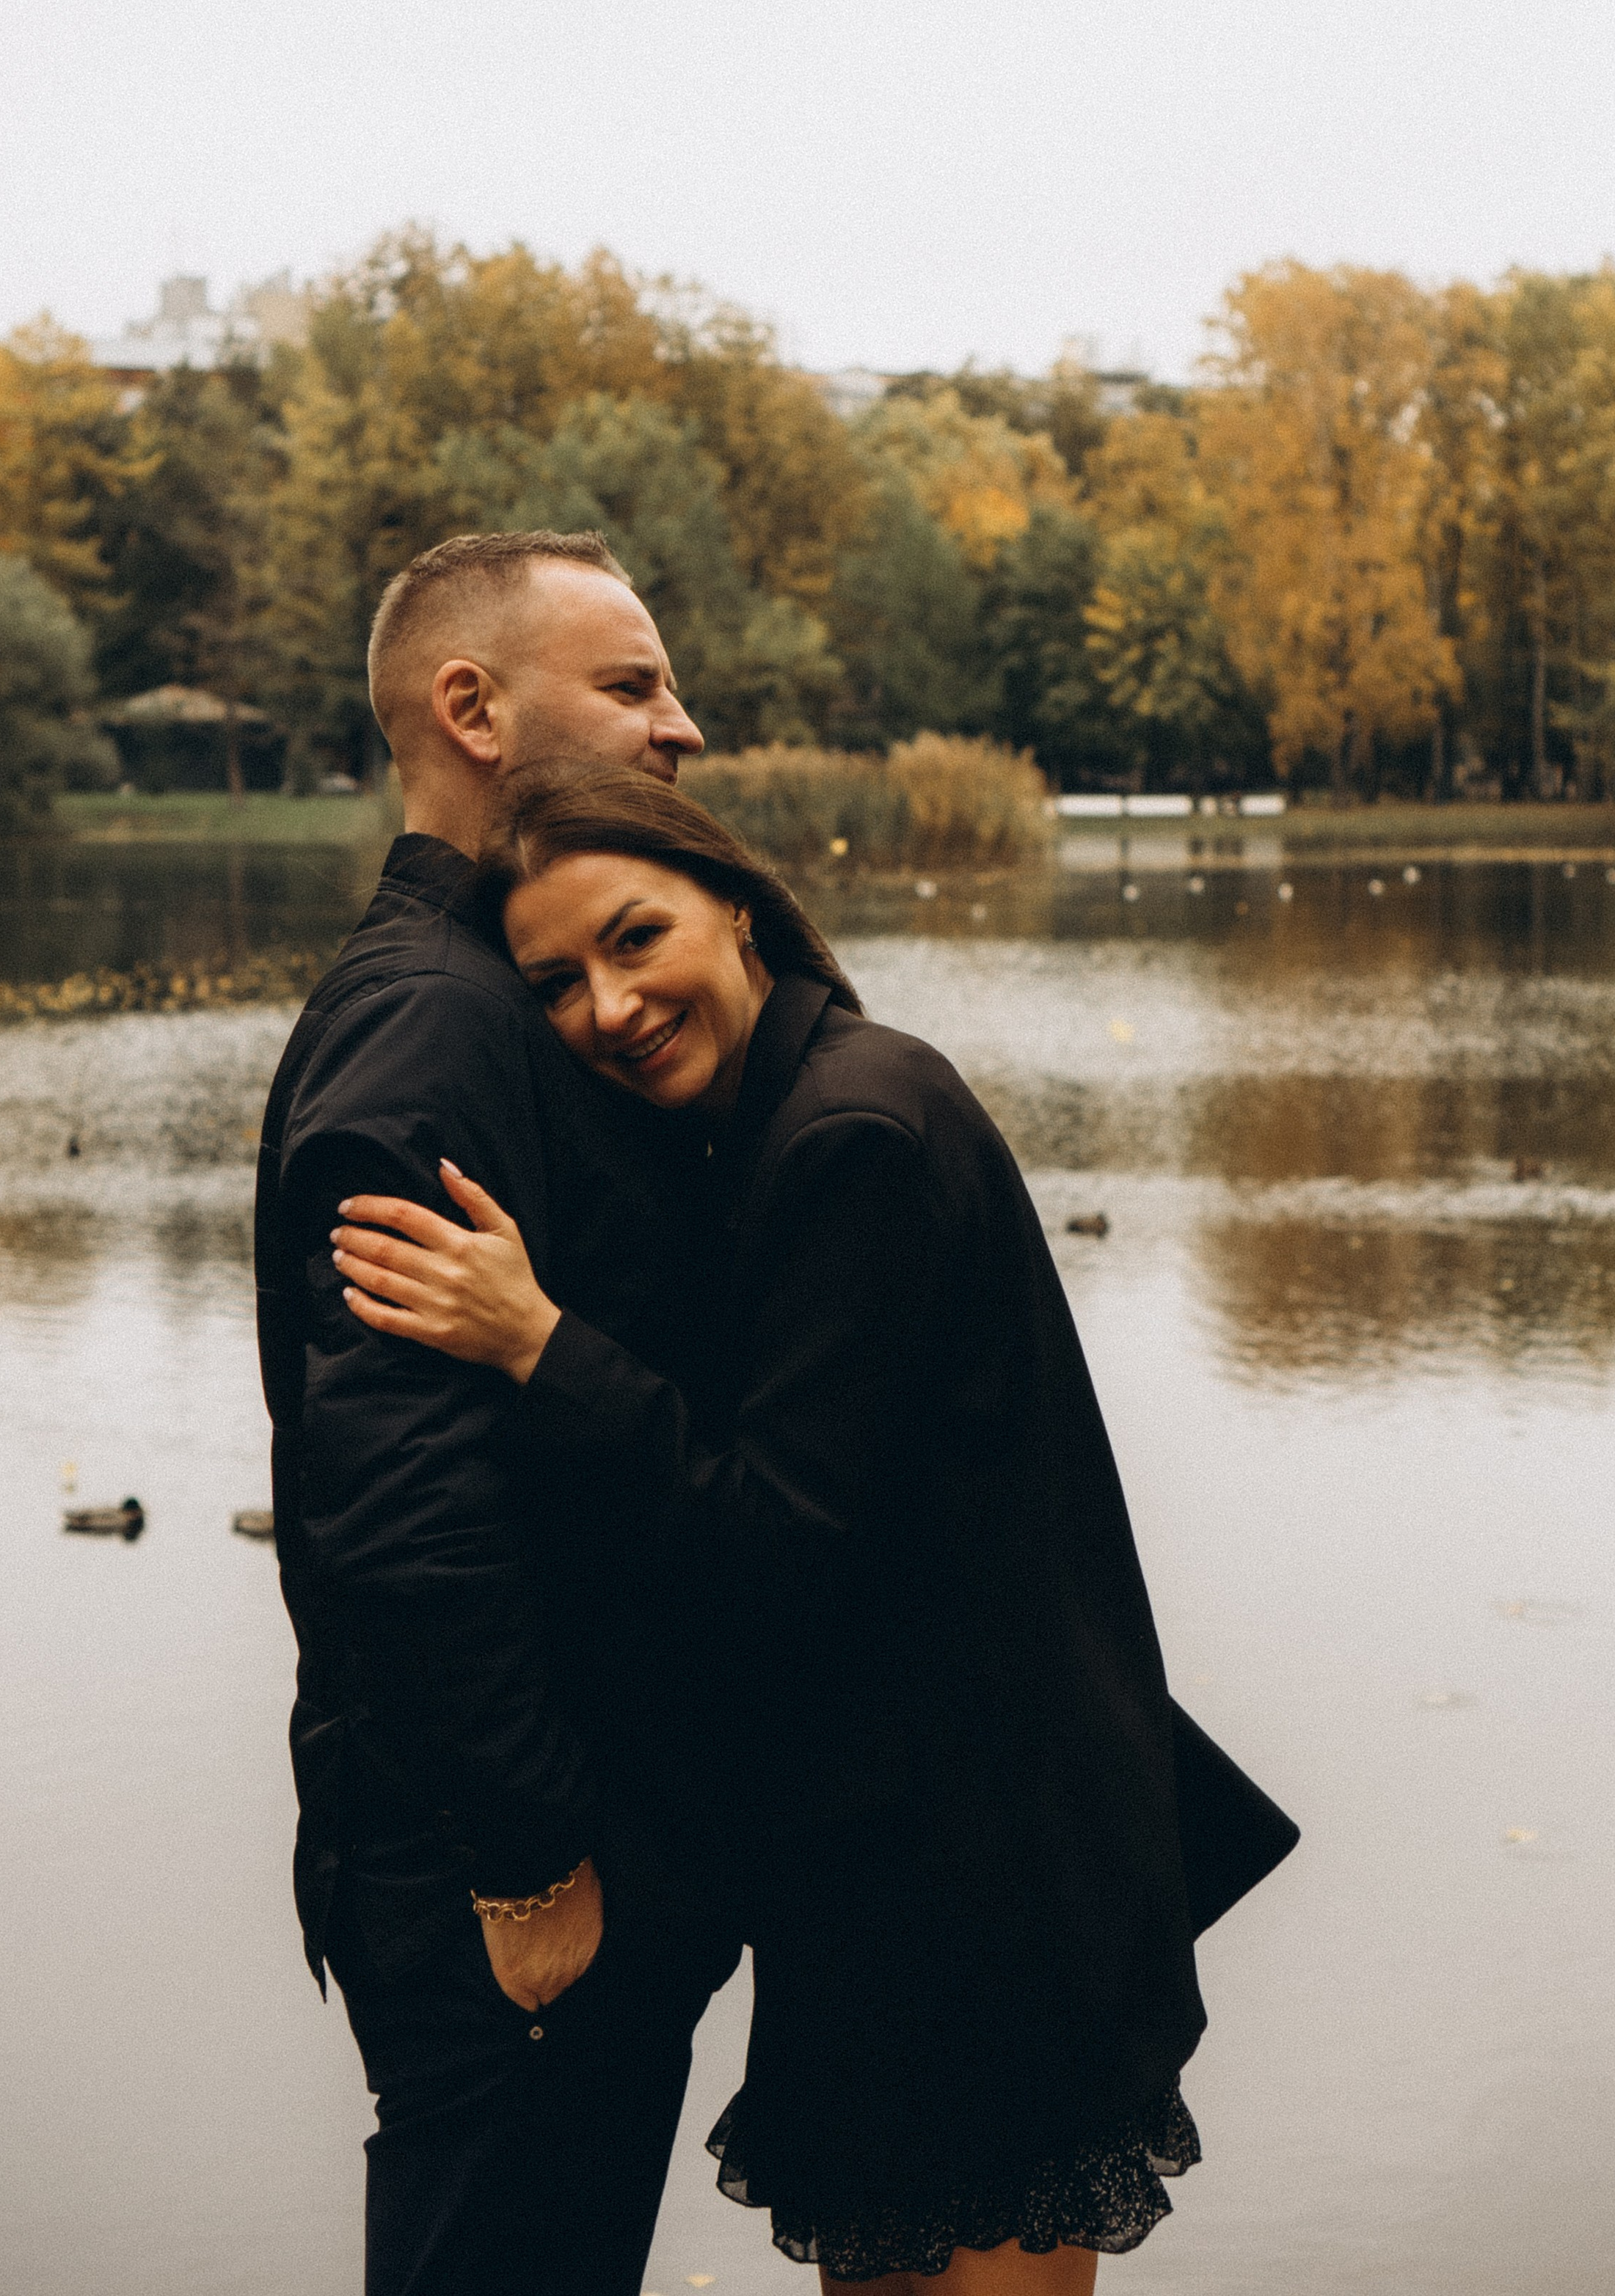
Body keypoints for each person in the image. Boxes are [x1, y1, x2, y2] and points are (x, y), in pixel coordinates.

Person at [329, 766, 1299, 2295]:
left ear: (733, 901)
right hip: (882, 1870)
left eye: (636, 937)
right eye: (558, 985)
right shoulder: (764, 1127)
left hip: (988, 1879)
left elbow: (780, 1542)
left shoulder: (855, 1134)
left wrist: (536, 1342)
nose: (609, 1004)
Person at [255, 532, 740, 2296]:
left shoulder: (495, 997)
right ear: (471, 708)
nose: (680, 727)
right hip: (504, 1880)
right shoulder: (433, 1027)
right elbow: (391, 1491)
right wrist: (538, 1867)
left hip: (542, 1851)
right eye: (629, 685)